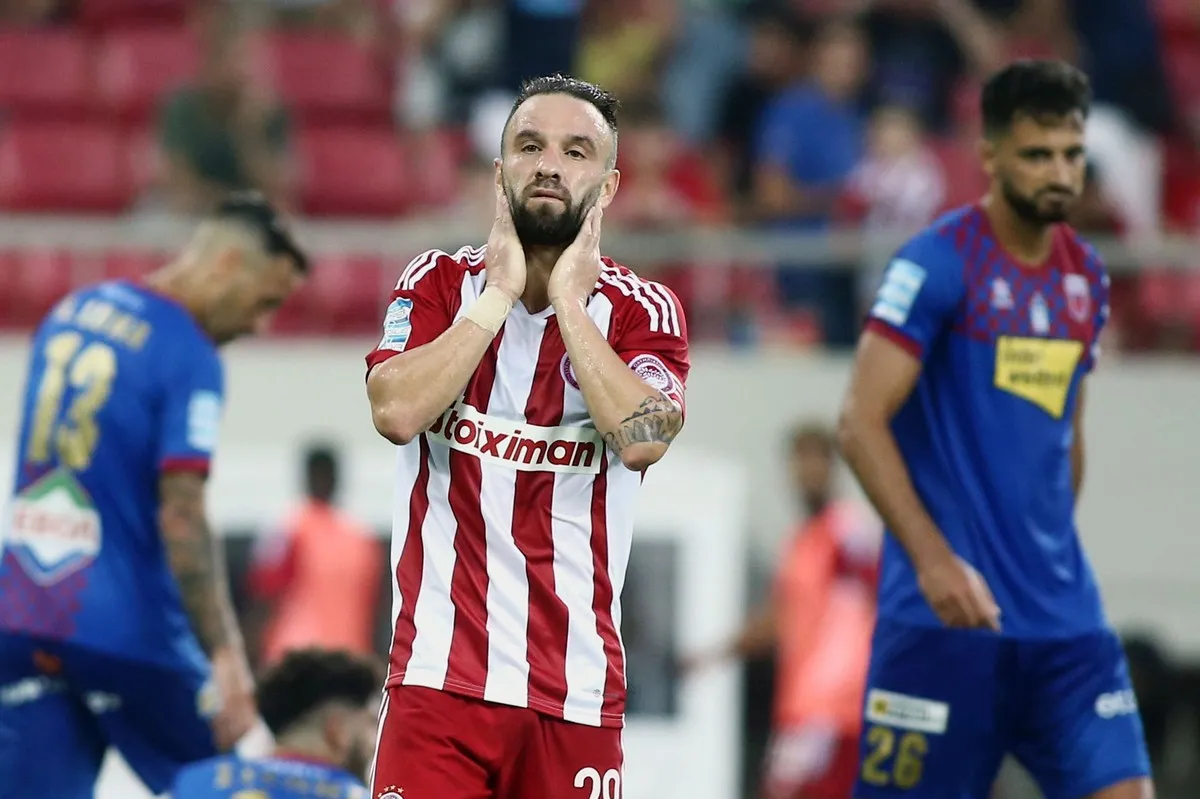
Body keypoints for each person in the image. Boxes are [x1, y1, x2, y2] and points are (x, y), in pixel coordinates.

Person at [364, 74, 689, 799]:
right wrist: (499, 295)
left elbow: (643, 438)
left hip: (574, 699)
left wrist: (569, 302)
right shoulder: (440, 282)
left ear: (608, 187)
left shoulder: (643, 311)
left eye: (576, 152)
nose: (549, 165)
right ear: (499, 171)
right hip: (437, 686)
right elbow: (396, 411)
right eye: (530, 146)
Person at [837, 60, 1154, 799]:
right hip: (942, 626)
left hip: (1066, 625)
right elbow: (858, 423)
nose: (1059, 173)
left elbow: (1067, 433)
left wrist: (1043, 551)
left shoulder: (1087, 277)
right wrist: (935, 562)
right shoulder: (937, 263)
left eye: (1071, 155)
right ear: (990, 155)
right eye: (1037, 155)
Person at [0, 193, 308, 797]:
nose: (259, 325)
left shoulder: (72, 309)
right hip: (126, 633)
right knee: (239, 778)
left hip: (23, 618)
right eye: (265, 302)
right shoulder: (187, 352)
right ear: (227, 265)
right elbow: (182, 512)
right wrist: (226, 657)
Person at [683, 423, 881, 799]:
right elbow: (779, 619)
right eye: (799, 462)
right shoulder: (799, 541)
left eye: (816, 461)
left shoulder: (849, 532)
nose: (807, 473)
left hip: (836, 709)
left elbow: (883, 599)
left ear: (833, 466)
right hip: (801, 705)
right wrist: (712, 656)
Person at [172, 647, 382, 799]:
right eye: (372, 724)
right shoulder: (356, 795)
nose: (377, 742)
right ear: (337, 732)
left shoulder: (192, 783)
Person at [247, 443, 382, 669]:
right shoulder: (361, 536)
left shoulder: (288, 528)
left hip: (296, 658)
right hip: (347, 658)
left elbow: (264, 597)